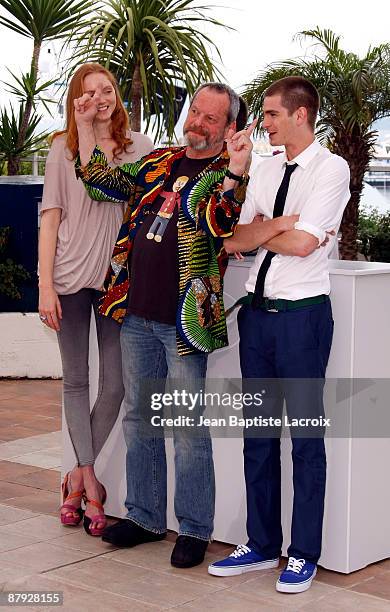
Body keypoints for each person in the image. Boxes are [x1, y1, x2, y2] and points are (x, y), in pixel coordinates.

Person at [74, 81, 298, 568]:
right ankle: (145, 517)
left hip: (185, 321)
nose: (197, 122)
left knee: (187, 427)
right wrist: (89, 124)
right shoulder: (161, 161)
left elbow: (223, 225)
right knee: (139, 419)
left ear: (230, 128)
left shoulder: (236, 173)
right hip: (134, 314)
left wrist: (236, 171)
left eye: (210, 118)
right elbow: (100, 181)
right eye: (195, 112)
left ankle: (195, 528)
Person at [208, 76, 350, 592]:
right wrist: (276, 226)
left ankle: (303, 553)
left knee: (307, 439)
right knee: (259, 436)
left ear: (301, 114)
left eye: (269, 115)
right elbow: (234, 238)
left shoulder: (332, 169)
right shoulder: (265, 169)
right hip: (258, 318)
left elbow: (304, 244)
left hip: (302, 320)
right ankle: (262, 545)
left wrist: (274, 231)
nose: (262, 123)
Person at [38, 63, 153, 537]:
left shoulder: (139, 148)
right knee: (76, 381)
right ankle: (88, 482)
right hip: (68, 274)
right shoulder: (59, 151)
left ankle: (75, 478)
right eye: (88, 94)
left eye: (107, 90)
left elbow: (102, 182)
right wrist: (45, 285)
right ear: (75, 100)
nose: (100, 98)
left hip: (115, 279)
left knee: (117, 384)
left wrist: (90, 130)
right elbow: (51, 218)